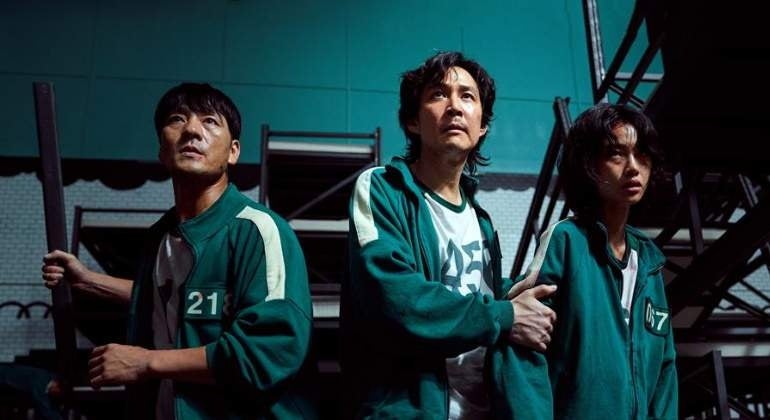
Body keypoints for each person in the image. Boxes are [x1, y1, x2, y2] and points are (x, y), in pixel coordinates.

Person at [41, 83, 314, 419]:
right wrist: (86, 280)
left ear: (233, 152)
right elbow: (167, 300)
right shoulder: (159, 238)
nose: (192, 130)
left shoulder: (258, 230)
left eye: (210, 121)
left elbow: (267, 353)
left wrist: (147, 362)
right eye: (177, 119)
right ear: (161, 150)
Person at [342, 51, 557, 419]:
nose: (455, 107)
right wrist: (505, 315)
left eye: (467, 96)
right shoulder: (381, 189)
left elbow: (472, 297)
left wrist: (516, 294)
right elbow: (396, 299)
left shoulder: (481, 219)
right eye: (439, 94)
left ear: (482, 125)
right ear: (412, 120)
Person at [511, 103, 678, 419]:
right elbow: (523, 350)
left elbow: (665, 369)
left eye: (641, 153)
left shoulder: (650, 262)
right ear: (589, 165)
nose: (633, 167)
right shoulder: (566, 241)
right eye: (616, 154)